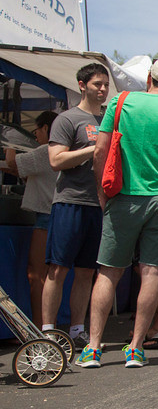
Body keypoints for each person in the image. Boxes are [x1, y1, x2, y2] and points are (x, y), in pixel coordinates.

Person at [79, 59, 158, 368]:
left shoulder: (121, 101)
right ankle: (135, 348)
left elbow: (99, 153)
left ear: (148, 78)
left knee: (108, 271)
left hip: (123, 197)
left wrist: (102, 193)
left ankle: (92, 348)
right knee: (152, 272)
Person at [42, 63, 110, 346]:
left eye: (105, 84)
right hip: (70, 202)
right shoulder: (67, 120)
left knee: (86, 272)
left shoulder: (110, 120)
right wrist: (94, 149)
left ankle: (76, 330)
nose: (103, 89)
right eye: (97, 84)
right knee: (58, 269)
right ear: (82, 85)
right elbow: (56, 160)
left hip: (100, 206)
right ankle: (47, 332)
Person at [3, 110, 58, 325]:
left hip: (45, 216)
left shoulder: (46, 150)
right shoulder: (62, 150)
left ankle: (39, 325)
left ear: (45, 128)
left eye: (37, 131)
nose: (35, 136)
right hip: (57, 215)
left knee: (37, 274)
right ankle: (48, 325)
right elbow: (23, 172)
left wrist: (10, 141)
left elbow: (11, 163)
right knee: (53, 273)